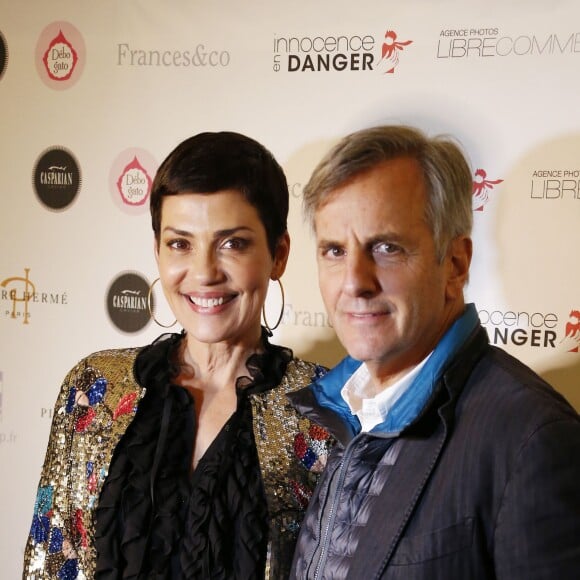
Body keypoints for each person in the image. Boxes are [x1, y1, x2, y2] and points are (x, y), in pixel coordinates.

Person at [23, 131, 332, 579]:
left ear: (278, 254)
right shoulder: (94, 389)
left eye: (233, 243)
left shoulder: (323, 413)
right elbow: (51, 560)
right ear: (157, 252)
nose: (204, 272)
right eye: (180, 243)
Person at [289, 125, 580, 579]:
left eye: (386, 248)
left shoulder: (531, 440)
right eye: (334, 250)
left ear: (455, 264)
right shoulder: (343, 407)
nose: (353, 282)